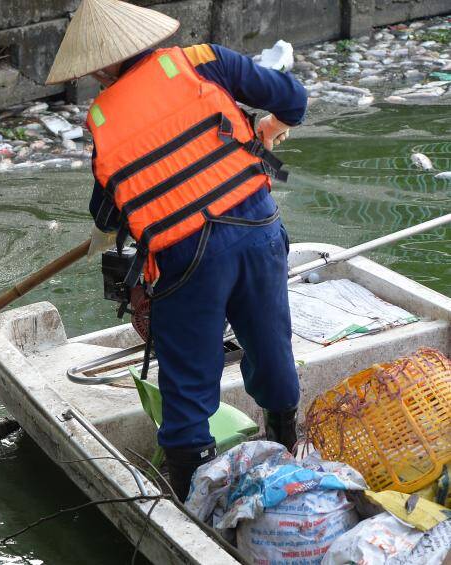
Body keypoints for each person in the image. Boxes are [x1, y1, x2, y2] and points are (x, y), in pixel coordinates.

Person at [45, 0, 307, 501]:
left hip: (187, 257)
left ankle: (192, 492)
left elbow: (107, 214)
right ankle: (284, 437)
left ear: (99, 65)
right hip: (255, 228)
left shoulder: (101, 120)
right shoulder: (204, 60)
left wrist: (126, 213)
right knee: (271, 343)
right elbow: (292, 97)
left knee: (188, 374)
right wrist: (268, 130)